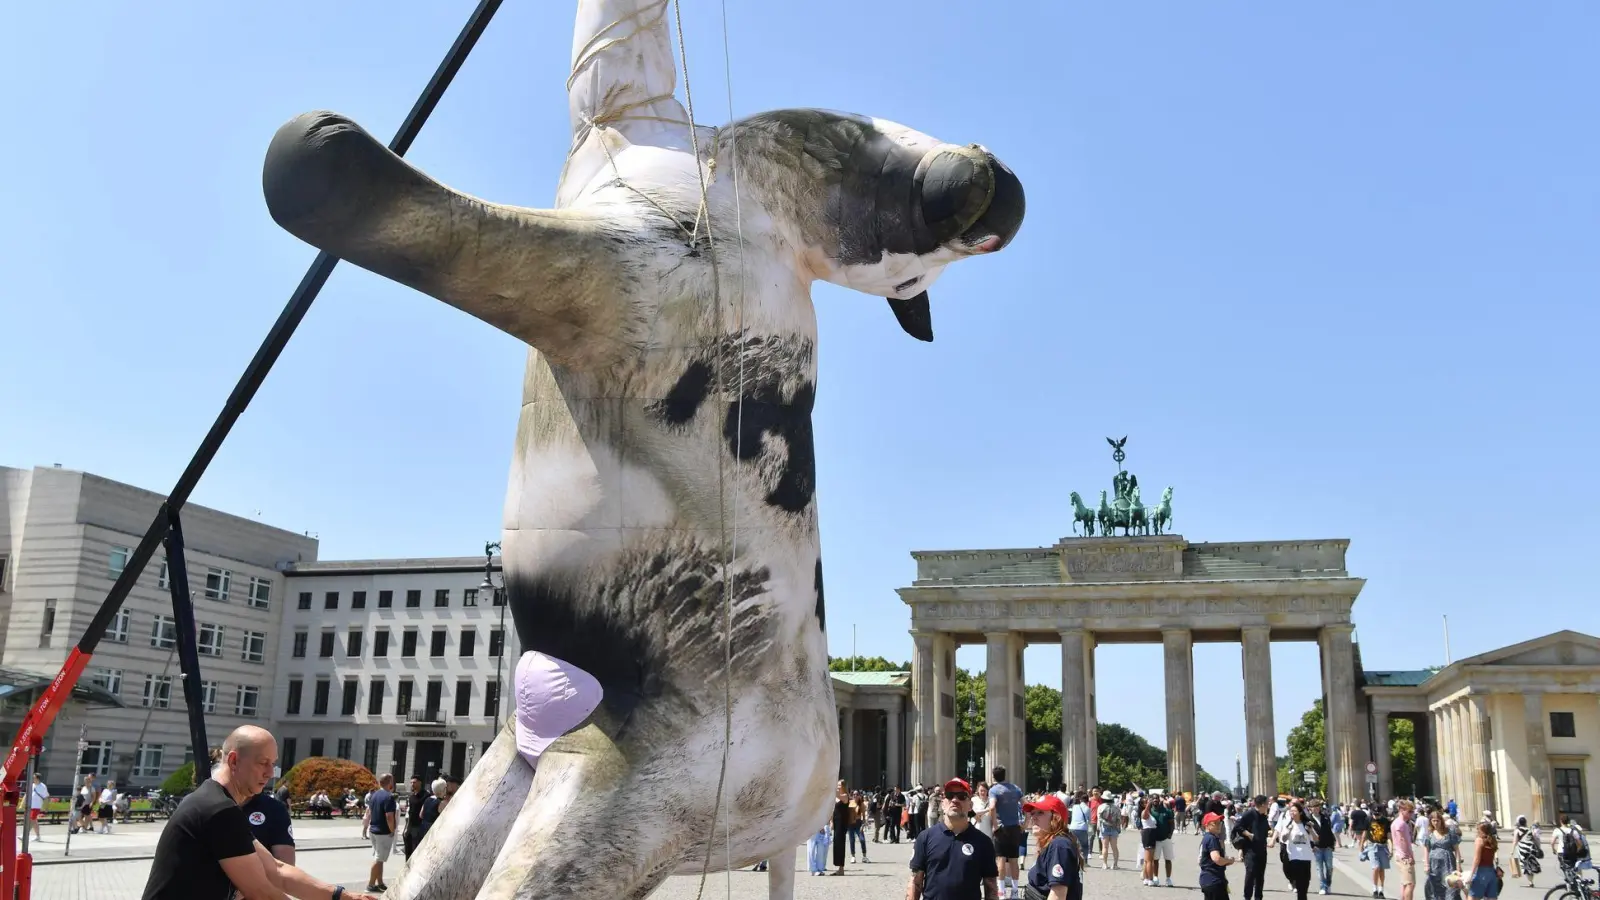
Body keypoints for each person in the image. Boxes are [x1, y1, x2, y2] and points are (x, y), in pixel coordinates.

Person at [140, 724, 376, 900]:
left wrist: (342, 896)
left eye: (272, 763)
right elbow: (261, 891)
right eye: (262, 763)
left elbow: (277, 869)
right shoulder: (217, 809)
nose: (270, 772)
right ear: (233, 760)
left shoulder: (214, 801)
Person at [906, 778, 998, 900]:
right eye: (949, 795)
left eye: (961, 796)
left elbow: (991, 887)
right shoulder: (925, 837)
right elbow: (915, 882)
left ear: (970, 805)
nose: (955, 800)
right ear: (943, 804)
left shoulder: (984, 842)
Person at [1022, 794, 1082, 900]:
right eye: (1032, 813)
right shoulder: (1054, 843)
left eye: (1040, 812)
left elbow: (1058, 894)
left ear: (1056, 818)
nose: (1034, 817)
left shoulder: (1059, 846)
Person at [987, 767, 1024, 899]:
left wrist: (995, 825)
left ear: (993, 776)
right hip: (1014, 827)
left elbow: (991, 807)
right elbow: (1025, 805)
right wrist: (1024, 823)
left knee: (1000, 859)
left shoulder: (994, 790)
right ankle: (1014, 892)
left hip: (1001, 828)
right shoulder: (1015, 788)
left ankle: (1001, 892)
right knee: (1014, 860)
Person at [363, 773, 399, 892]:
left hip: (373, 829)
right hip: (383, 832)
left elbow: (369, 812)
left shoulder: (374, 795)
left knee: (380, 858)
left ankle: (380, 882)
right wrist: (392, 830)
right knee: (379, 859)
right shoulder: (389, 797)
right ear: (389, 783)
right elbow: (389, 816)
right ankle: (371, 884)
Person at [243, 785, 296, 864]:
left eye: (272, 771)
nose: (269, 774)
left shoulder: (275, 809)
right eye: (258, 771)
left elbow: (285, 864)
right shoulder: (220, 805)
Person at [1275, 800, 1316, 900]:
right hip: (1294, 857)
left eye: (1294, 811)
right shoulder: (1288, 825)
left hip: (1306, 857)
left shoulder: (1306, 825)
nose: (1292, 813)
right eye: (1290, 811)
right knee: (1299, 884)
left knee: (1305, 885)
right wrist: (1288, 831)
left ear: (1300, 812)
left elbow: (1316, 839)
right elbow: (1283, 839)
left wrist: (1311, 830)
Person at [1235, 795, 1272, 900]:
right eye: (1267, 803)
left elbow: (1266, 829)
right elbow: (1238, 826)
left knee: (1260, 876)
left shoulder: (1264, 815)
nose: (1268, 805)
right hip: (1250, 850)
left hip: (1262, 849)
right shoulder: (1249, 814)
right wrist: (1248, 834)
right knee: (1250, 873)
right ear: (1262, 804)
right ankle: (1247, 897)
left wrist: (1270, 832)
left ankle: (1258, 897)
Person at [1199, 811, 1237, 900]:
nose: (1218, 825)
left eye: (1219, 822)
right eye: (1215, 823)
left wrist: (1225, 861)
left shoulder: (1207, 838)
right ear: (1207, 825)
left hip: (1209, 880)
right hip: (1214, 880)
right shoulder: (1212, 838)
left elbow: (1202, 860)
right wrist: (1229, 860)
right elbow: (1217, 859)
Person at [1423, 809, 1461, 900]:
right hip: (1434, 865)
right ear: (1430, 822)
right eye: (1433, 821)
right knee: (1434, 888)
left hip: (1448, 864)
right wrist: (1426, 864)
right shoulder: (1429, 834)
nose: (1435, 823)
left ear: (1441, 821)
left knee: (1451, 887)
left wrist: (1458, 866)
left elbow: (1456, 849)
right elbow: (1426, 849)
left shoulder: (1449, 832)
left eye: (1437, 820)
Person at [1309, 798, 1337, 895]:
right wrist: (1312, 846)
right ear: (1310, 809)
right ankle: (1322, 886)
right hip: (1317, 847)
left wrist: (1332, 844)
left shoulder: (1325, 817)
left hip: (1327, 846)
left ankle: (1328, 883)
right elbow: (1308, 835)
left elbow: (1329, 831)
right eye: (1314, 807)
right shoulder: (1309, 820)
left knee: (1329, 867)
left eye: (1318, 807)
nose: (1316, 809)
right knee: (1319, 868)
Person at [1466, 821, 1499, 900]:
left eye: (1478, 829)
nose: (1477, 831)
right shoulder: (1493, 840)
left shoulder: (1479, 840)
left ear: (1482, 830)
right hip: (1491, 872)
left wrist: (1471, 875)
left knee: (1472, 897)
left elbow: (1477, 859)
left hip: (1481, 872)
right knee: (1491, 898)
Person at [1368, 800, 1394, 898]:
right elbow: (1365, 833)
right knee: (1376, 868)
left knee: (1382, 870)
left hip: (1383, 847)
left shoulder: (1386, 821)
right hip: (1372, 846)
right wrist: (1361, 846)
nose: (1376, 816)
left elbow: (1389, 837)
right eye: (1374, 814)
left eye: (1378, 814)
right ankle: (1374, 889)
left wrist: (1391, 850)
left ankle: (1381, 890)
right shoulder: (1369, 819)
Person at [1394, 800, 1418, 900]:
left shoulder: (1396, 822)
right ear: (1401, 810)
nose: (1411, 814)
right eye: (1409, 811)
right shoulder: (1401, 824)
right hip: (1404, 856)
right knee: (1410, 884)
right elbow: (1403, 841)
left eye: (1412, 811)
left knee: (1405, 883)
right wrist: (1410, 856)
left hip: (1399, 854)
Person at [1512, 815, 1541, 887]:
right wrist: (1538, 848)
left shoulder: (1517, 831)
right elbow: (1535, 839)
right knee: (1531, 864)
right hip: (1531, 849)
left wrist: (1512, 850)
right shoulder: (1530, 830)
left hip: (1522, 850)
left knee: (1524, 865)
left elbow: (1515, 841)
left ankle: (1530, 882)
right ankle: (1531, 881)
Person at [1096, 790, 1122, 870]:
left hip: (1104, 828)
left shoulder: (1101, 807)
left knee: (1105, 847)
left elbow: (1099, 818)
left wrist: (1104, 824)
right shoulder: (1116, 807)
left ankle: (1105, 864)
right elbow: (1119, 819)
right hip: (1114, 828)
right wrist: (1117, 827)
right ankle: (1115, 864)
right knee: (1114, 847)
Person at [832, 781, 852, 875]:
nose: (838, 787)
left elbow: (837, 795)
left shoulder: (845, 796)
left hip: (842, 822)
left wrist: (831, 788)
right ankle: (838, 865)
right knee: (836, 843)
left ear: (843, 786)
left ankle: (841, 868)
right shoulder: (837, 797)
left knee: (840, 843)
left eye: (839, 785)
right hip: (836, 822)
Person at [28, 773, 48, 842]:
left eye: (34, 778)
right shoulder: (32, 785)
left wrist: (45, 807)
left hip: (36, 806)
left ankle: (25, 835)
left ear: (38, 778)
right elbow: (27, 794)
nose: (33, 779)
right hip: (30, 806)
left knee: (32, 820)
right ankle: (38, 836)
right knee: (34, 821)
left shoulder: (43, 786)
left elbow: (46, 797)